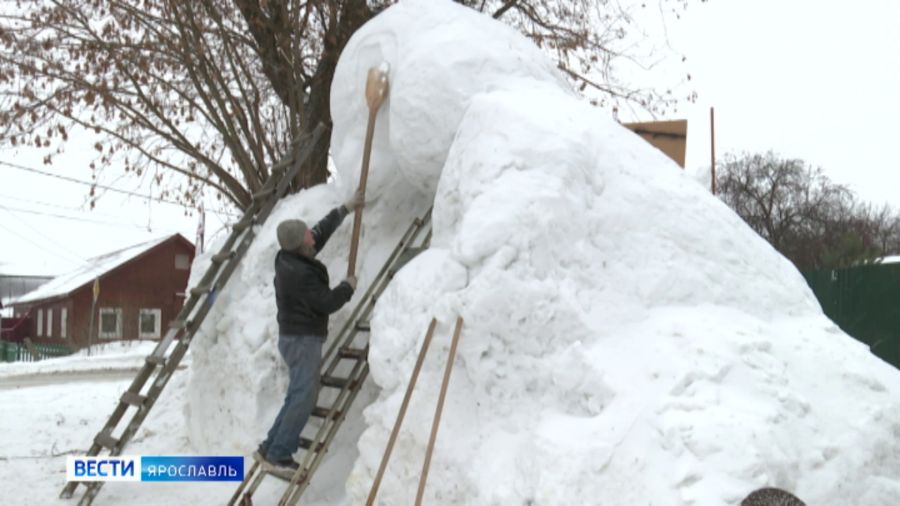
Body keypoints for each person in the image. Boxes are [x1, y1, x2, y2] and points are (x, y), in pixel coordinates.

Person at [256, 189, 365, 474]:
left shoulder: (291, 256)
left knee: (297, 395)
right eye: (306, 233)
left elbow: (319, 232)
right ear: (299, 244)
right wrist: (348, 287)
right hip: (302, 341)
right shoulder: (299, 274)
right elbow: (327, 302)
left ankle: (270, 446)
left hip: (294, 337)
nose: (311, 234)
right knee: (304, 397)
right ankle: (279, 454)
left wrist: (344, 208)